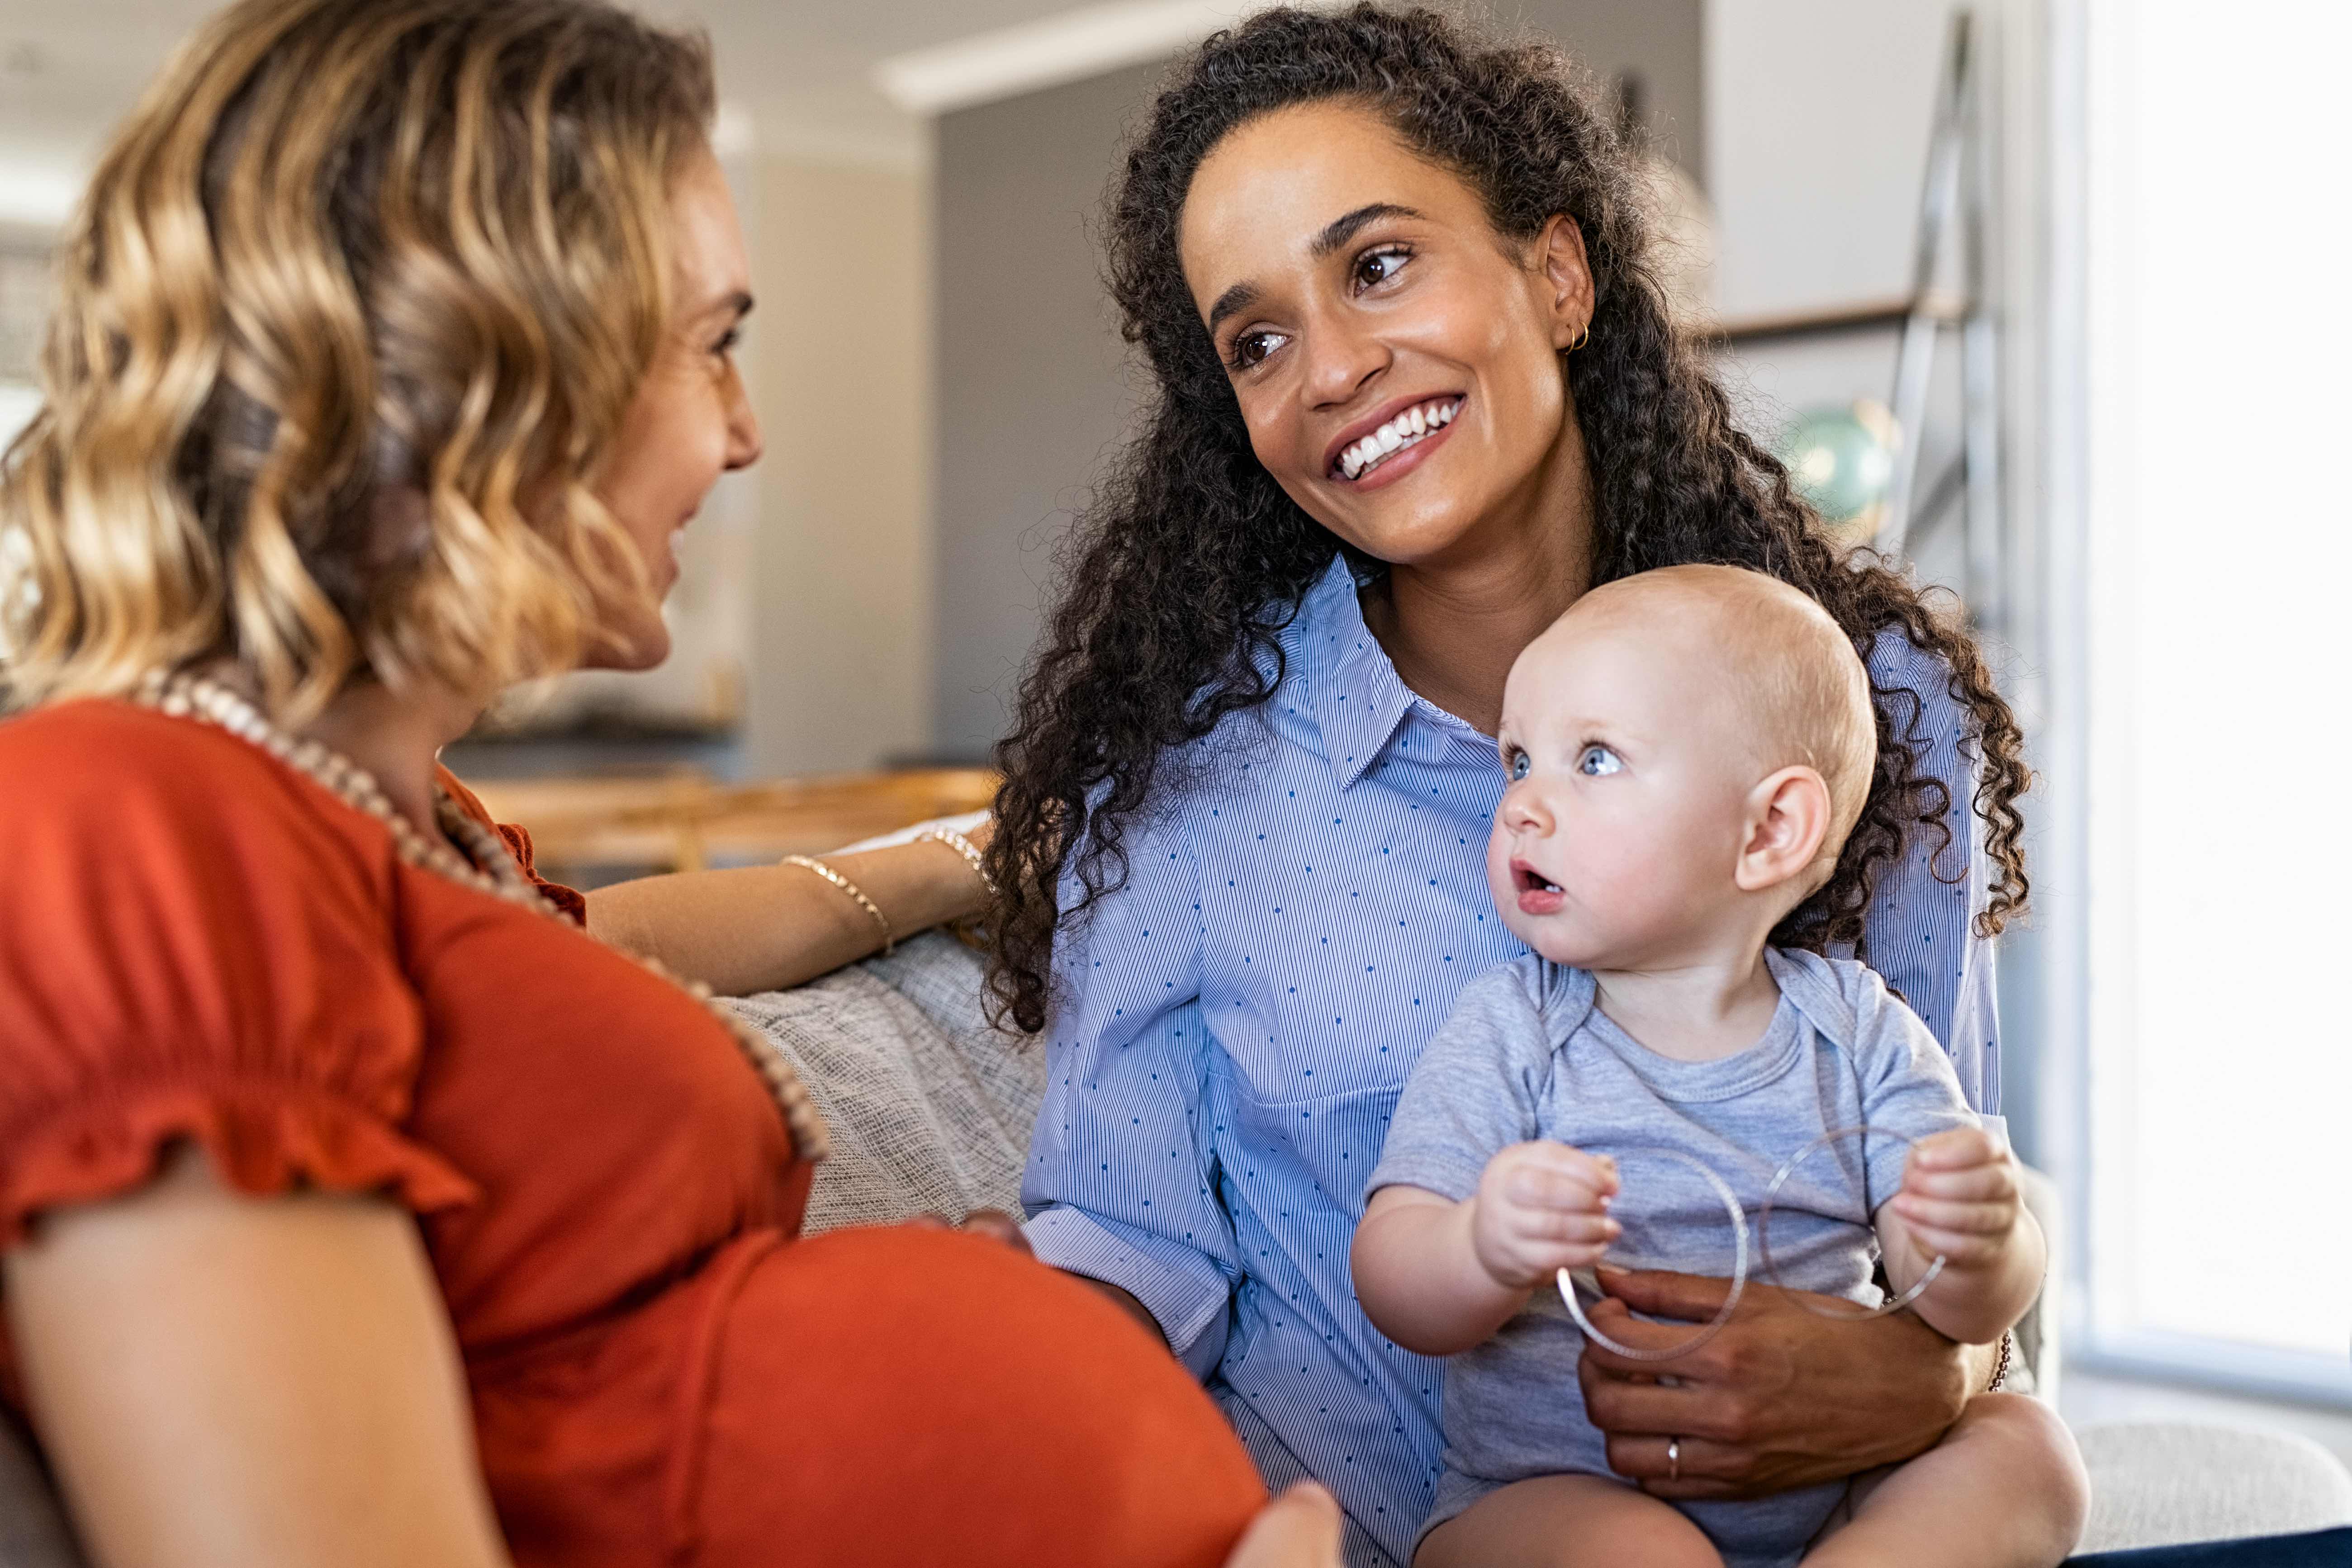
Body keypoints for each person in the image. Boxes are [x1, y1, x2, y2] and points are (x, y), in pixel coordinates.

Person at [0, 2, 1342, 1564]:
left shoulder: (367, 825)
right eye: (713, 342)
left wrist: (957, 861)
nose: (750, 430)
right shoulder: (130, 827)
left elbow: (604, 950)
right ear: (482, 360)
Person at [985, 8, 2035, 1564]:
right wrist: (972, 1342)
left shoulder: (1872, 706)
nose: (1333, 363)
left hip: (1838, 1523)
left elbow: (1961, 1188)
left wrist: (1927, 1361)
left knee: (2032, 1450)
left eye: (1382, 262)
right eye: (1257, 338)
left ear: (1558, 273)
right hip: (1433, 1530)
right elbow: (1127, 1256)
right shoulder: (1184, 801)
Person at [1350, 566, 2087, 1567]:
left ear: (1768, 830)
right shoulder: (1513, 1029)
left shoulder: (1858, 1032)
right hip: (1548, 1504)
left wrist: (1975, 1240)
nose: (1523, 804)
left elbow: (1961, 1308)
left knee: (2029, 1455)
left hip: (1826, 1497)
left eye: (1594, 760)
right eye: (1517, 760)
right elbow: (1390, 1279)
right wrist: (1479, 1246)